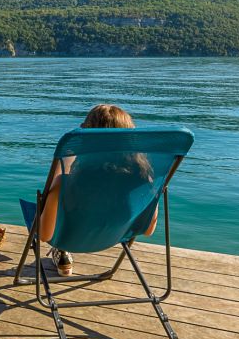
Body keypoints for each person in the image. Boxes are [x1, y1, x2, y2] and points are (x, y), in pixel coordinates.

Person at [39, 104, 158, 275]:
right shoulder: (145, 182)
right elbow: (148, 229)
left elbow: (44, 234)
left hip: (71, 238)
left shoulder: (64, 184)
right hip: (115, 237)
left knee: (52, 202)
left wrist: (65, 167)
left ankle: (62, 250)